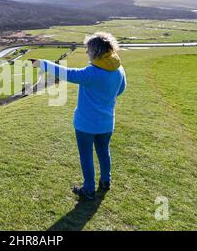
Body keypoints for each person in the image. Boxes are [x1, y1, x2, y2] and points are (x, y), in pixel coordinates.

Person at [30, 32, 127, 200]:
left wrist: (42, 63)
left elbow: (67, 73)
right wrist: (105, 97)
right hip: (106, 122)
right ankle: (106, 181)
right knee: (104, 151)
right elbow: (121, 89)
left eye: (88, 50)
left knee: (86, 155)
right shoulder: (119, 68)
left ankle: (88, 189)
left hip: (86, 124)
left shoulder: (92, 72)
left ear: (96, 51)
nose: (87, 53)